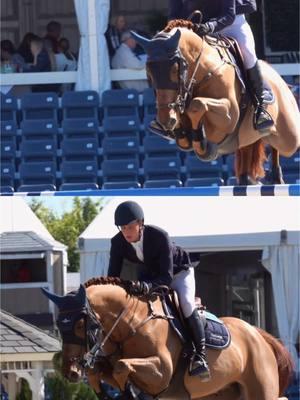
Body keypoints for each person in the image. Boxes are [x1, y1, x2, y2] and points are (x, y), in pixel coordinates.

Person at [107, 201, 210, 381]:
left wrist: (146, 286)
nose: (126, 232)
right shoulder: (117, 242)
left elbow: (167, 277)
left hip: (178, 272)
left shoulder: (160, 236)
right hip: (150, 275)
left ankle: (200, 356)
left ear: (141, 223)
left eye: (130, 227)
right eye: (122, 228)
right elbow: (112, 277)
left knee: (185, 304)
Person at [168, 0, 274, 131]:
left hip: (230, 23)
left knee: (247, 53)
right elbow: (174, 13)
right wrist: (173, 28)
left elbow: (228, 15)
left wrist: (210, 27)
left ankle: (260, 106)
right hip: (196, 26)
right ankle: (169, 114)